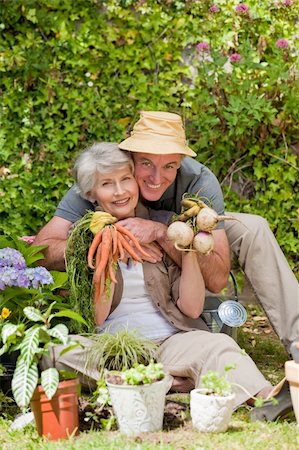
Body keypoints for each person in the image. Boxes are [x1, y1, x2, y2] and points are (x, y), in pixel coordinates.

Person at [40, 142, 292, 421]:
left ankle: (267, 399)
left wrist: (182, 246)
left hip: (170, 341)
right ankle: (169, 382)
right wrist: (105, 251)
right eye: (108, 184)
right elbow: (97, 318)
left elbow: (194, 307)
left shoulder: (170, 221)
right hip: (113, 348)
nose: (120, 190)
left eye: (125, 180)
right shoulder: (84, 237)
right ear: (91, 195)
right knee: (55, 352)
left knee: (219, 345)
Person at [33, 111, 299, 354]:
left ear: (180, 163)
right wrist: (109, 237)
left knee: (253, 227)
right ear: (130, 159)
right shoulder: (109, 178)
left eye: (169, 166)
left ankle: (297, 339)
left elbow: (217, 281)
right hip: (120, 258)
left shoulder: (199, 181)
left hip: (187, 236)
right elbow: (41, 251)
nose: (156, 177)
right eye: (146, 164)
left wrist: (161, 233)